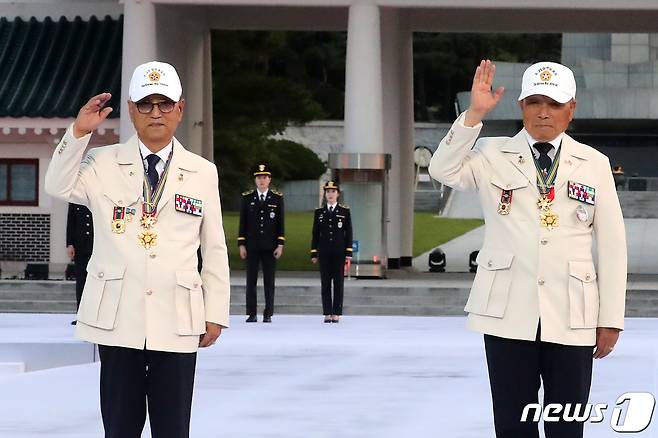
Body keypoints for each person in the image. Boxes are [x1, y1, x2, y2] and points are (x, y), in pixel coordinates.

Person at [429, 60, 626, 438]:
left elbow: (613, 246)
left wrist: (611, 317)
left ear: (572, 107)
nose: (543, 112)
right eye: (534, 102)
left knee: (566, 425)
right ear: (520, 106)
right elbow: (442, 170)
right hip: (507, 311)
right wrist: (474, 115)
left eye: (553, 103)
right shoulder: (490, 153)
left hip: (573, 313)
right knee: (512, 423)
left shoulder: (594, 164)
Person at [45, 61, 230, 438]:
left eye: (165, 104)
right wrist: (79, 133)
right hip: (118, 316)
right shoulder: (102, 161)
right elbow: (57, 185)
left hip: (177, 315)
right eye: (146, 104)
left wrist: (216, 312)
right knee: (120, 426)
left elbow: (214, 247)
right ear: (130, 110)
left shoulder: (202, 171)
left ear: (180, 109)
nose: (156, 113)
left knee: (173, 427)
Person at [238, 163, 285, 323]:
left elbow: (280, 224)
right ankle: (251, 313)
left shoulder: (277, 199)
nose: (262, 180)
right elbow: (243, 223)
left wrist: (280, 244)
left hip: (270, 246)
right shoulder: (248, 198)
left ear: (269, 179)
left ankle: (268, 313)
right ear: (255, 180)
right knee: (251, 281)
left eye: (264, 177)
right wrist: (241, 244)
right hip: (252, 246)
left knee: (269, 281)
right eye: (259, 178)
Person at [310, 181, 353, 323]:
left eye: (333, 191)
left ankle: (337, 313)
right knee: (325, 283)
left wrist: (348, 253)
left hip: (339, 253)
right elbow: (315, 234)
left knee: (338, 283)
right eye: (328, 192)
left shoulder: (344, 211)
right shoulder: (319, 212)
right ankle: (327, 312)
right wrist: (314, 252)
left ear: (338, 194)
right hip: (324, 252)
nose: (330, 194)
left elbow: (348, 233)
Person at [66, 203, 93, 325]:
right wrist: (70, 243)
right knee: (81, 282)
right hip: (80, 247)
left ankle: (94, 316)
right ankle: (81, 316)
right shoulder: (75, 200)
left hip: (96, 247)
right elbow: (71, 222)